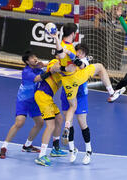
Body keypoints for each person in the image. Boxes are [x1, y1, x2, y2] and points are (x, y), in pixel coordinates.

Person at [50, 23, 119, 156]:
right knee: (99, 66)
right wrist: (73, 57)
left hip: (67, 84)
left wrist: (56, 38)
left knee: (72, 107)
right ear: (73, 34)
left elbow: (59, 55)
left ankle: (68, 133)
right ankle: (112, 92)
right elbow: (78, 64)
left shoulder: (63, 46)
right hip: (77, 79)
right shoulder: (70, 48)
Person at [0, 51, 51, 159]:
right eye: (32, 58)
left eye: (35, 56)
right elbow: (38, 78)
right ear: (27, 61)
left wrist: (48, 65)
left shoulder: (38, 68)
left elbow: (47, 66)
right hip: (23, 100)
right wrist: (51, 71)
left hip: (34, 101)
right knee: (19, 122)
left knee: (40, 123)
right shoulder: (26, 71)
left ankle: (27, 145)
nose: (35, 58)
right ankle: (4, 147)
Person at [34, 59, 75, 166]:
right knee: (50, 126)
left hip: (48, 97)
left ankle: (55, 149)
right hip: (42, 95)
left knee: (59, 119)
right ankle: (41, 156)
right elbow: (54, 68)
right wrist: (66, 68)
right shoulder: (55, 62)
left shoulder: (66, 67)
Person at [60, 43, 92, 164]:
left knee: (82, 123)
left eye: (82, 53)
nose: (80, 53)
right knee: (69, 124)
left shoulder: (85, 62)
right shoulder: (68, 60)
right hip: (66, 93)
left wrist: (69, 53)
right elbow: (60, 66)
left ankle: (88, 150)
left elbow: (80, 64)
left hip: (80, 96)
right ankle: (72, 149)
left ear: (85, 55)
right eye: (78, 51)